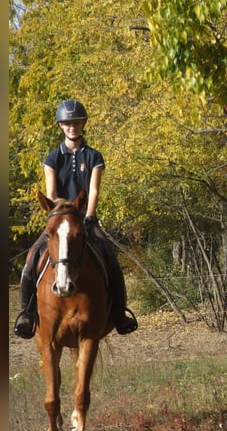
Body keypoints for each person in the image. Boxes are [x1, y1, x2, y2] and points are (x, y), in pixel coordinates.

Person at [13, 99, 138, 338]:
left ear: (83, 124)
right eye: (68, 123)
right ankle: (27, 314)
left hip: (85, 219)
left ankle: (120, 313)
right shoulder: (52, 158)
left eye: (77, 122)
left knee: (110, 258)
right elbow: (50, 194)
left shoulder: (94, 156)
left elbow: (94, 191)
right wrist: (62, 214)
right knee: (31, 260)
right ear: (61, 125)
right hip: (59, 219)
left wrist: (89, 216)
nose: (73, 127)